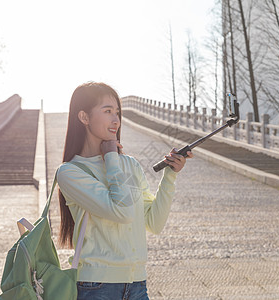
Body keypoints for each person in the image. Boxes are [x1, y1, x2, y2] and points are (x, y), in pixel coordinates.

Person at [56, 82, 193, 300]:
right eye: (107, 111)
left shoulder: (128, 164)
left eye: (117, 112)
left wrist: (170, 176)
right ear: (84, 117)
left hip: (137, 284)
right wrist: (111, 158)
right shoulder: (70, 172)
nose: (116, 120)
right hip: (97, 287)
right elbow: (123, 212)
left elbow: (153, 223)